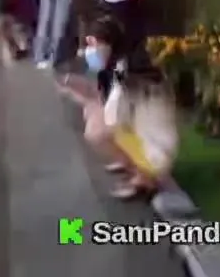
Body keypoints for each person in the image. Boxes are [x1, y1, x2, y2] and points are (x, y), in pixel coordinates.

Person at [58, 16, 177, 200]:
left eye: (94, 44)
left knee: (96, 130)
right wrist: (80, 92)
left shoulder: (126, 73)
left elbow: (112, 115)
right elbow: (107, 101)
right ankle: (132, 164)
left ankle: (144, 177)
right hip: (146, 135)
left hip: (155, 150)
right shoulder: (117, 65)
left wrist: (82, 97)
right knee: (95, 116)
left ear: (109, 44)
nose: (89, 51)